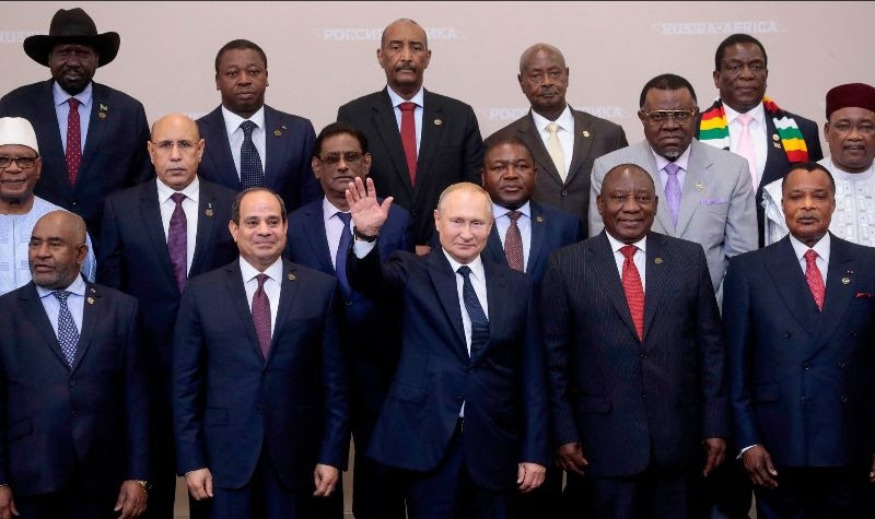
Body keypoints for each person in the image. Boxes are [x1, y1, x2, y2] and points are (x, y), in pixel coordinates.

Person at [346, 179, 548, 518]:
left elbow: (533, 376)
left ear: (490, 226)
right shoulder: (410, 270)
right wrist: (366, 236)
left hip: (494, 445)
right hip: (426, 441)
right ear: (438, 221)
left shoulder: (518, 286)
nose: (466, 233)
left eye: (476, 223)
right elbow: (368, 279)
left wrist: (534, 451)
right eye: (457, 221)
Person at [543, 163, 728, 519]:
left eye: (642, 198)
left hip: (678, 441)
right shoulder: (566, 265)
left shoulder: (688, 258)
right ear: (600, 204)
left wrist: (716, 424)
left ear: (656, 204)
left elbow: (711, 351)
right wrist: (564, 432)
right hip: (601, 445)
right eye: (619, 198)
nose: (631, 207)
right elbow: (555, 361)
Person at [173, 187, 349, 518]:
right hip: (223, 462)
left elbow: (335, 383)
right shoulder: (201, 292)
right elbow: (185, 386)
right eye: (252, 222)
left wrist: (331, 455)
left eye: (273, 221)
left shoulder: (320, 289)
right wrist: (192, 460)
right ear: (234, 229)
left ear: (285, 226)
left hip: (299, 460)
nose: (264, 231)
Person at [98, 113, 238, 519]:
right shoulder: (120, 207)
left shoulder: (230, 204)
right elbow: (111, 293)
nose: (175, 155)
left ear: (201, 150)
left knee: (214, 496)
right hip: (146, 372)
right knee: (148, 494)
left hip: (216, 376)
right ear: (150, 152)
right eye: (165, 145)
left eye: (185, 145)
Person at [724, 162, 875, 518]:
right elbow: (735, 367)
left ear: (833, 204)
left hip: (851, 441)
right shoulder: (748, 270)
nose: (807, 205)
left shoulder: (868, 264)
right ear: (783, 205)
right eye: (796, 197)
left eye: (818, 196)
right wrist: (747, 441)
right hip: (779, 443)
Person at [285, 122, 411, 519]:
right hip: (314, 371)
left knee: (380, 485)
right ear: (316, 167)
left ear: (367, 162)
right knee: (317, 482)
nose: (342, 166)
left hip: (380, 368)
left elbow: (398, 290)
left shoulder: (397, 220)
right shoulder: (294, 224)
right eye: (332, 159)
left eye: (351, 157)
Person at [0, 210, 150, 518]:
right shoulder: (5, 312)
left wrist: (138, 475)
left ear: (81, 253)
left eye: (55, 244)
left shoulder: (121, 309)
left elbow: (137, 399)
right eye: (35, 243)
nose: (41, 253)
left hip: (103, 479)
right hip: (29, 478)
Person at [479, 135, 583, 516]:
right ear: (482, 176)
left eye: (521, 166)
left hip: (550, 372)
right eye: (499, 167)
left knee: (542, 496)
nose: (511, 174)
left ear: (536, 174)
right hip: (487, 373)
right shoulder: (467, 226)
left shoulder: (565, 225)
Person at [589, 73, 757, 301]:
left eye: (681, 115)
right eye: (658, 116)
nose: (670, 125)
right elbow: (603, 254)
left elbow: (742, 258)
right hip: (636, 309)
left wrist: (711, 310)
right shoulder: (609, 169)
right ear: (642, 118)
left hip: (713, 308)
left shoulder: (732, 169)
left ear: (695, 115)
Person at [0, 8, 153, 252]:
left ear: (97, 59)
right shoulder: (16, 105)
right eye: (64, 53)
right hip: (31, 246)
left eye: (82, 53)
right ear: (49, 58)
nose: (72, 61)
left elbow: (141, 187)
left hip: (107, 247)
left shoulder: (127, 111)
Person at [337, 18, 484, 255]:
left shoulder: (459, 116)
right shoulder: (354, 115)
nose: (406, 56)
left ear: (427, 57)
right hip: (381, 251)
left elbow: (473, 190)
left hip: (446, 252)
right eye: (396, 47)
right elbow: (348, 188)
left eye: (415, 48)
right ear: (380, 56)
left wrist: (437, 246)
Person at [696, 33, 823, 247]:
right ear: (717, 77)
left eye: (756, 66)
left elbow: (817, 197)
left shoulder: (802, 130)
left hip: (784, 252)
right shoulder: (694, 131)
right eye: (735, 67)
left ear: (766, 75)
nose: (747, 75)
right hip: (715, 252)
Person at [487, 43, 628, 232]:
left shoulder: (608, 134)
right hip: (535, 246)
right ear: (521, 82)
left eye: (554, 73)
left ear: (567, 76)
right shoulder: (500, 142)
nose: (547, 82)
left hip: (597, 244)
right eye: (536, 76)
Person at [196, 39, 322, 213]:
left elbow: (312, 202)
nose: (244, 80)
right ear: (218, 81)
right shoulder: (196, 133)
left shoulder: (299, 131)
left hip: (288, 231)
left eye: (253, 72)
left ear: (266, 77)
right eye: (232, 73)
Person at [763, 82, 875, 247]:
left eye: (865, 127)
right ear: (827, 131)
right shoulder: (786, 191)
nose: (854, 136)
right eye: (843, 126)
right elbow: (779, 259)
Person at [0, 116, 95, 295]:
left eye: (24, 160)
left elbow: (86, 286)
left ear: (38, 167)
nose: (13, 168)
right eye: (2, 160)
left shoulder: (65, 223)